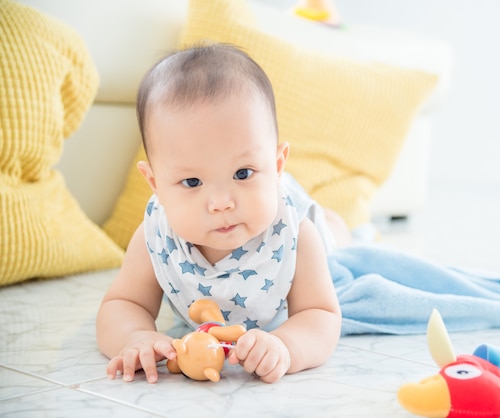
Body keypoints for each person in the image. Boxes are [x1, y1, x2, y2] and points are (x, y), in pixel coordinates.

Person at [96, 43, 347, 384]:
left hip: (296, 223)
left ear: (275, 166)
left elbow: (321, 314)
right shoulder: (156, 234)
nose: (220, 203)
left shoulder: (295, 233)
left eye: (243, 173)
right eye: (192, 181)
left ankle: (335, 222)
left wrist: (286, 346)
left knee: (335, 241)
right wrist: (134, 336)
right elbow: (123, 303)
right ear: (156, 185)